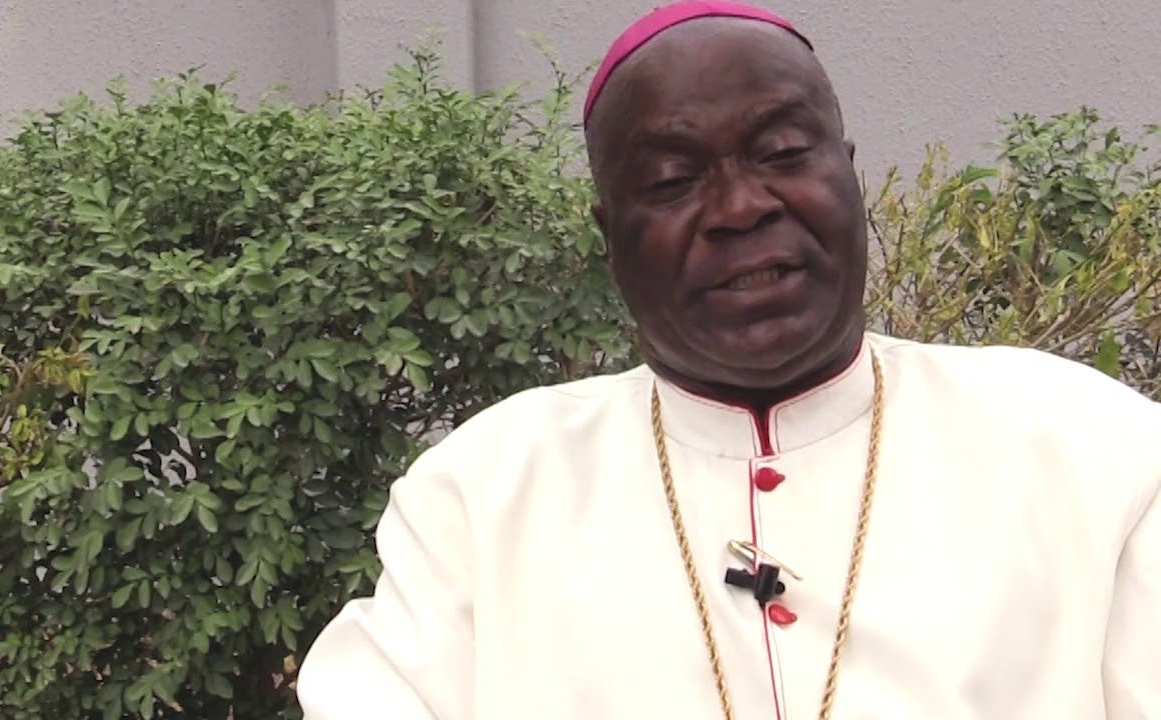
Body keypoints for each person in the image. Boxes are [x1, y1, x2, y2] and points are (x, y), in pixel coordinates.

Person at [296, 2, 1161, 718]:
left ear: (849, 176)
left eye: (782, 154)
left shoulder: (1096, 450)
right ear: (610, 237)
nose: (742, 208)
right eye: (673, 180)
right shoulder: (479, 496)